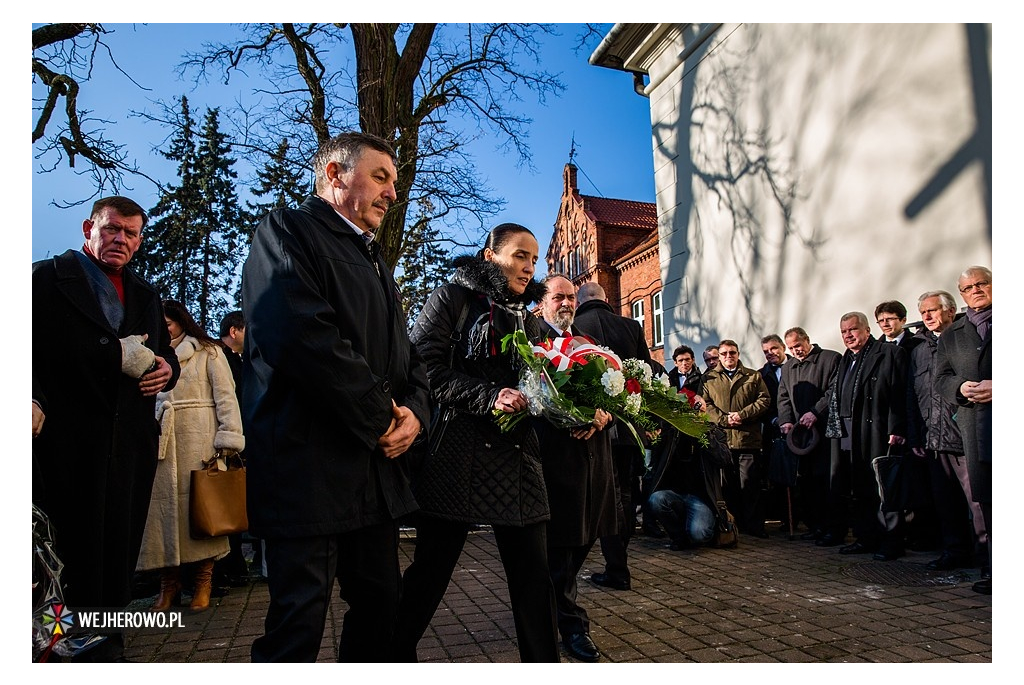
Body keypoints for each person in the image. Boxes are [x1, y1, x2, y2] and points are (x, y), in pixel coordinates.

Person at [241, 131, 431, 662]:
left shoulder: (376, 262)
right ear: (334, 173)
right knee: (298, 625)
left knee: (381, 608)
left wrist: (415, 414)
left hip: (372, 480)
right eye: (380, 177)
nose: (393, 193)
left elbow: (410, 360)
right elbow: (300, 334)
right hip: (308, 471)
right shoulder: (287, 231)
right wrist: (380, 417)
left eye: (395, 181)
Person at [394, 223, 559, 663]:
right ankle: (389, 656)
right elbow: (423, 369)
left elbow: (551, 381)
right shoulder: (453, 298)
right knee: (431, 571)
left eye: (534, 258)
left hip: (519, 457)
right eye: (520, 255)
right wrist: (490, 396)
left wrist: (582, 409)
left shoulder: (532, 319)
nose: (529, 267)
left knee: (534, 578)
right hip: (458, 454)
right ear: (490, 256)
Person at [32, 196, 180, 661]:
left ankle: (108, 647)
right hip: (67, 442)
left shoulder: (145, 294)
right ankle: (57, 644)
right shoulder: (46, 279)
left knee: (118, 549)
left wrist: (165, 369)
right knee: (66, 553)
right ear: (88, 228)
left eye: (131, 233)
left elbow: (165, 355)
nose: (121, 239)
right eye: (112, 229)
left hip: (128, 445)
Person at [136, 300, 246, 612]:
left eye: (168, 323)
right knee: (161, 519)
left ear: (182, 322)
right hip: (161, 442)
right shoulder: (148, 355)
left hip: (199, 441)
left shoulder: (208, 351)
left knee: (201, 511)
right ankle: (168, 585)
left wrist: (227, 440)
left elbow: (226, 395)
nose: (164, 328)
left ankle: (204, 581)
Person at [533, 274, 618, 662]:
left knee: (585, 539)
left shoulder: (590, 343)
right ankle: (572, 625)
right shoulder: (532, 341)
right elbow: (532, 397)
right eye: (559, 297)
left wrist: (604, 415)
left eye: (571, 297)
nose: (567, 303)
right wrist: (567, 416)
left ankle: (552, 607)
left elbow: (616, 393)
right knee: (563, 547)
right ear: (543, 302)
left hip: (596, 460)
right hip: (557, 460)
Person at [573, 281, 659, 593]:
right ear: (606, 299)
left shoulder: (573, 327)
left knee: (602, 497)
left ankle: (615, 568)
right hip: (629, 426)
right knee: (625, 493)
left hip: (593, 427)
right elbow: (645, 374)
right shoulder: (631, 326)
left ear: (580, 300)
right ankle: (617, 565)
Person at [906, 290, 985, 571]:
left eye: (933, 310)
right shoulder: (918, 350)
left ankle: (985, 556)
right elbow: (913, 396)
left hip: (964, 436)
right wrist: (917, 435)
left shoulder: (966, 338)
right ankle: (954, 551)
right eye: (923, 312)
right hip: (934, 439)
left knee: (977, 501)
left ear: (950, 311)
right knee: (945, 501)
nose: (927, 317)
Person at [821, 312, 908, 560]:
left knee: (881, 488)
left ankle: (891, 541)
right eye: (844, 332)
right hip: (847, 430)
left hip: (877, 429)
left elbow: (899, 393)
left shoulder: (889, 353)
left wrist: (897, 427)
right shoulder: (846, 359)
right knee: (857, 487)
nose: (848, 335)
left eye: (853, 330)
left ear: (867, 330)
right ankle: (865, 537)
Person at [936, 267, 992, 594]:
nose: (975, 290)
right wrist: (962, 387)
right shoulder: (953, 334)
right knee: (988, 502)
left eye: (981, 283)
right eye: (967, 287)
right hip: (976, 428)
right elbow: (941, 379)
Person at [777, 327, 842, 541]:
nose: (796, 351)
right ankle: (814, 526)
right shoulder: (788, 367)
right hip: (800, 436)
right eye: (791, 348)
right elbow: (783, 396)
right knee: (807, 482)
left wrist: (816, 412)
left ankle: (831, 527)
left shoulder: (830, 359)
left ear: (807, 340)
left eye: (798, 346)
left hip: (825, 433)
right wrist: (786, 420)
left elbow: (834, 390)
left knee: (826, 481)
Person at [701, 339, 770, 537]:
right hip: (722, 440)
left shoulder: (753, 376)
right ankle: (733, 525)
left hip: (747, 439)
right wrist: (723, 419)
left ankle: (754, 526)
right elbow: (704, 404)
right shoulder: (709, 378)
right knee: (727, 487)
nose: (728, 357)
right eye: (724, 354)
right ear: (719, 356)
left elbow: (764, 400)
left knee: (750, 485)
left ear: (738, 354)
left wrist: (742, 415)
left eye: (732, 353)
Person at [212, 310, 253, 590]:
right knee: (222, 506)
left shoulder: (238, 360)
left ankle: (234, 565)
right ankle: (222, 568)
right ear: (235, 331)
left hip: (238, 439)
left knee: (235, 505)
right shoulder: (218, 357)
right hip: (223, 441)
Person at [758, 334, 791, 527]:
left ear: (783, 347)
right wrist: (774, 419)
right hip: (773, 429)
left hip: (799, 428)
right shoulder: (761, 374)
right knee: (778, 475)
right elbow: (764, 402)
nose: (770, 354)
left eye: (774, 349)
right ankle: (785, 519)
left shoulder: (795, 365)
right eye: (766, 352)